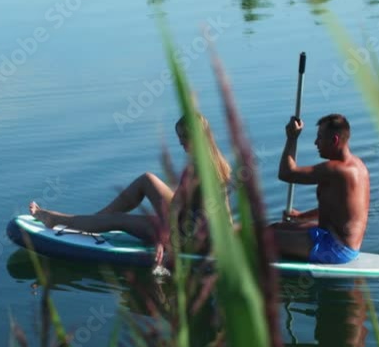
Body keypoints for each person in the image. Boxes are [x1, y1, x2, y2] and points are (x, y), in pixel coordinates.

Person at [29, 113, 232, 265]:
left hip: (189, 237)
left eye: (183, 138)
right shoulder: (218, 163)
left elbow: (179, 209)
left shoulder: (196, 169)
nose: (180, 142)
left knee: (118, 220)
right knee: (147, 180)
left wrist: (163, 239)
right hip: (197, 227)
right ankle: (95, 220)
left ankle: (55, 218)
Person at [273, 113, 369, 264]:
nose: (315, 142)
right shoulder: (358, 165)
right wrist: (301, 217)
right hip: (334, 239)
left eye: (320, 137)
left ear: (334, 140)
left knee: (261, 238)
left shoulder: (336, 169)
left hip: (335, 249)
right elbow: (341, 208)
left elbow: (286, 173)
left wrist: (292, 138)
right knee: (274, 227)